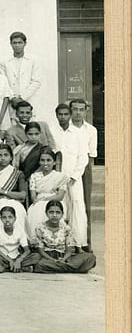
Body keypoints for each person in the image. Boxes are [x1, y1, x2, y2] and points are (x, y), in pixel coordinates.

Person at [52, 103, 90, 249]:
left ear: (70, 115)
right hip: (57, 177)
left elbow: (83, 158)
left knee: (77, 207)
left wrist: (74, 176)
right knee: (59, 206)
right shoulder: (52, 131)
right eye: (60, 114)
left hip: (74, 177)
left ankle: (78, 243)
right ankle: (59, 243)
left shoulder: (78, 134)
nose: (63, 117)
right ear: (56, 115)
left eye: (65, 114)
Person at [28, 201, 96, 274]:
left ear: (62, 214)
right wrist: (53, 260)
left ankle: (57, 268)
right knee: (39, 262)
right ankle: (70, 268)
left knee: (90, 257)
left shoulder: (66, 228)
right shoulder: (40, 228)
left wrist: (63, 260)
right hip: (46, 257)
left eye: (58, 212)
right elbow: (40, 250)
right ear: (46, 213)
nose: (54, 215)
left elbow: (69, 251)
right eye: (51, 212)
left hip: (64, 257)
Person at [69, 98, 97, 247]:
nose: (78, 112)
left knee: (85, 205)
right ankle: (69, 243)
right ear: (70, 110)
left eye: (81, 109)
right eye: (75, 109)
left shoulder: (91, 130)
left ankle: (86, 242)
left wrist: (85, 174)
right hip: (68, 165)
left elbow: (91, 155)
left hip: (84, 168)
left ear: (86, 110)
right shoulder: (66, 128)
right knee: (69, 204)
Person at [0, 143, 28, 231]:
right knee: (1, 208)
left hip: (14, 202)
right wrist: (6, 197)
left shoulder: (18, 174)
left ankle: (18, 238)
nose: (3, 158)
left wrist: (3, 192)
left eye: (6, 155)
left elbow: (23, 195)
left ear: (11, 157)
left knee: (18, 210)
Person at [25, 147, 67, 236]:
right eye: (42, 160)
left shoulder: (60, 177)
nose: (45, 163)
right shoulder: (34, 176)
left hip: (55, 202)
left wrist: (45, 199)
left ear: (54, 162)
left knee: (53, 210)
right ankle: (36, 240)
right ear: (39, 162)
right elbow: (33, 197)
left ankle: (55, 240)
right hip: (38, 201)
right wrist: (38, 201)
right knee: (36, 211)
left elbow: (60, 196)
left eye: (48, 160)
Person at [2, 31, 42, 119]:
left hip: (29, 99)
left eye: (20, 42)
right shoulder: (4, 61)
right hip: (12, 102)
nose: (17, 45)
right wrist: (13, 98)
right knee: (13, 125)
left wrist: (22, 98)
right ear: (11, 44)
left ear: (25, 44)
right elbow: (3, 82)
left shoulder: (33, 60)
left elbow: (36, 81)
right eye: (14, 43)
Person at [0, 206, 32, 273]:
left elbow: (27, 250)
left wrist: (18, 260)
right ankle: (16, 267)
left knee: (36, 256)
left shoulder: (20, 229)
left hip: (15, 257)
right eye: (4, 217)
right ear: (1, 219)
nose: (7, 220)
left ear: (15, 218)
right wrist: (9, 260)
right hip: (1, 256)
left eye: (10, 217)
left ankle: (8, 266)